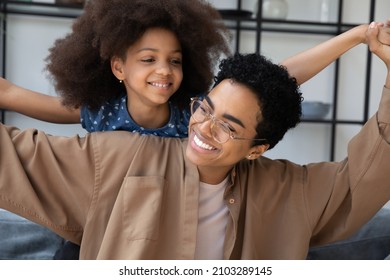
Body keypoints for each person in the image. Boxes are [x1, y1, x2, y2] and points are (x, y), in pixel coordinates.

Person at [1, 0, 390, 258]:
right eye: (147, 59)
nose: (163, 71)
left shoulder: (190, 118)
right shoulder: (102, 128)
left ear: (258, 148)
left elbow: (277, 79)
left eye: (173, 61)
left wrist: (355, 37)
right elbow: (32, 106)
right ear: (118, 67)